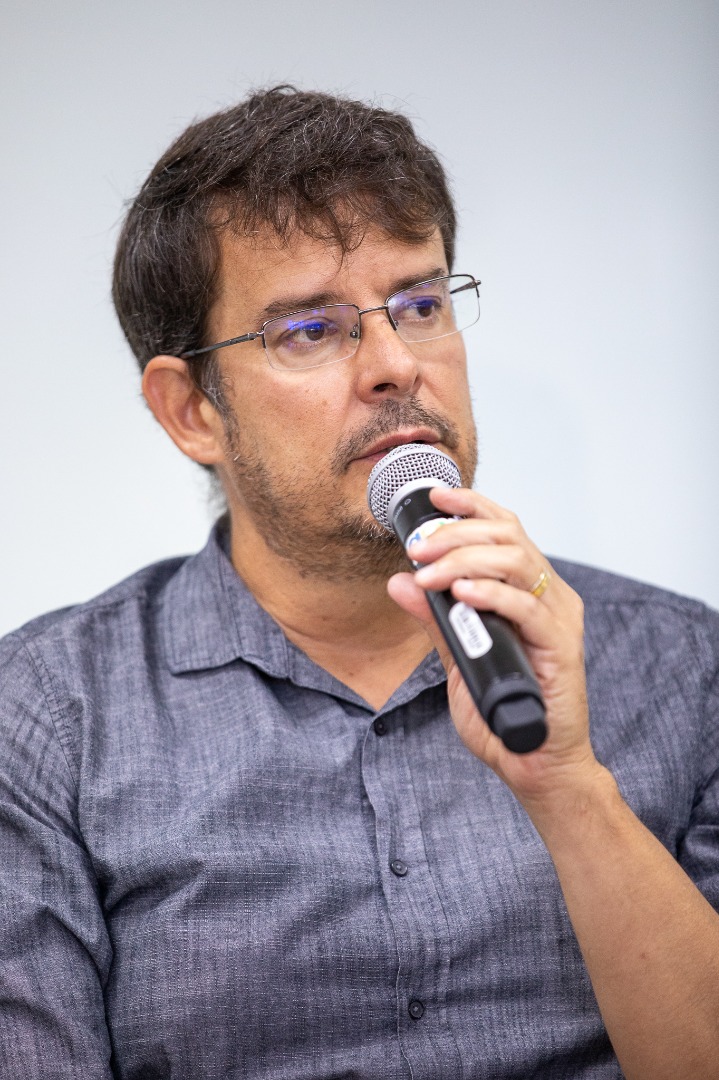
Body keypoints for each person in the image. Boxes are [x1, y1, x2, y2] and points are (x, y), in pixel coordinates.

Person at [1, 86, 718, 1080]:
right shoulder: (45, 716)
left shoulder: (686, 666)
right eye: (310, 329)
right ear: (191, 410)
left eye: (419, 307)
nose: (393, 365)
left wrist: (569, 788)